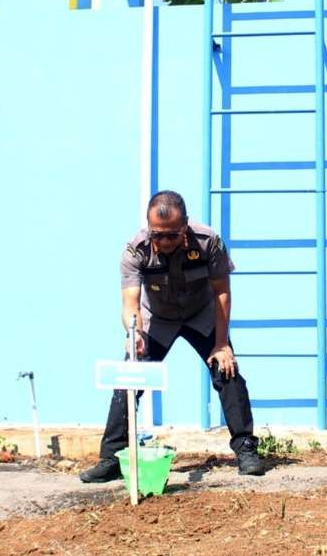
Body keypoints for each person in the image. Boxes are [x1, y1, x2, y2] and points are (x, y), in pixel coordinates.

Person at [79, 190, 265, 482]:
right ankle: (112, 458)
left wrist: (220, 343)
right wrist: (134, 334)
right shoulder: (135, 250)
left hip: (202, 314)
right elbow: (130, 301)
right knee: (129, 378)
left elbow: (222, 292)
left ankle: (246, 449)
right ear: (148, 228)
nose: (164, 242)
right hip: (157, 320)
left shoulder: (209, 242)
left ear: (186, 226)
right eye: (158, 235)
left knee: (226, 370)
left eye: (172, 235)